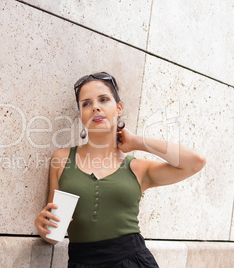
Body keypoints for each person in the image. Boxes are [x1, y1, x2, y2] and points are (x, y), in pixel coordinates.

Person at [34, 72, 206, 267]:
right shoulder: (61, 159)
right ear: (81, 115)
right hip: (81, 261)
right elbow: (53, 233)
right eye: (86, 103)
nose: (96, 107)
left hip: (132, 261)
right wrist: (43, 227)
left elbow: (195, 162)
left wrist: (137, 142)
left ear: (118, 108)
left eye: (103, 99)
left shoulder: (137, 168)